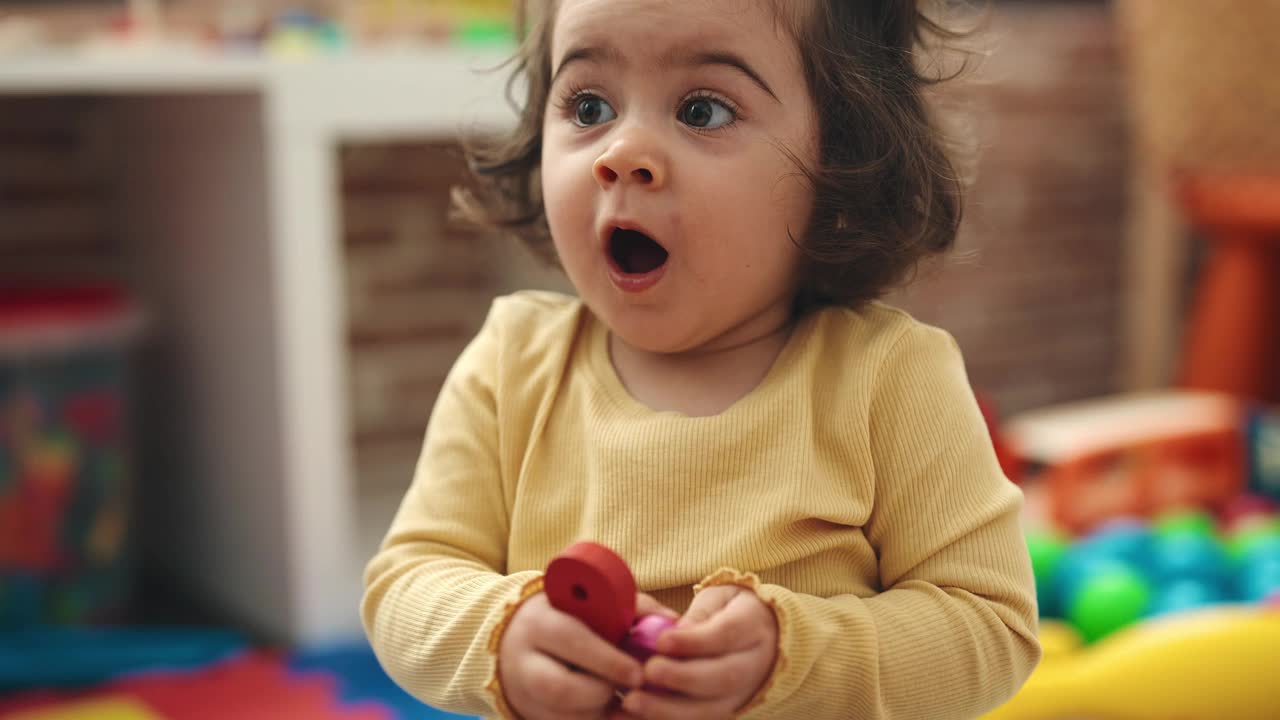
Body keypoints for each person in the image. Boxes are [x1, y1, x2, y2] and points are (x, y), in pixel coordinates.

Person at [362, 1, 1041, 718]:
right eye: (589, 105)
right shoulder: (512, 364)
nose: (619, 153)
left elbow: (990, 625)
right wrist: (500, 633)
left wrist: (796, 654)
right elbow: (405, 585)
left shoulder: (891, 379)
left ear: (840, 162)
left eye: (703, 112)